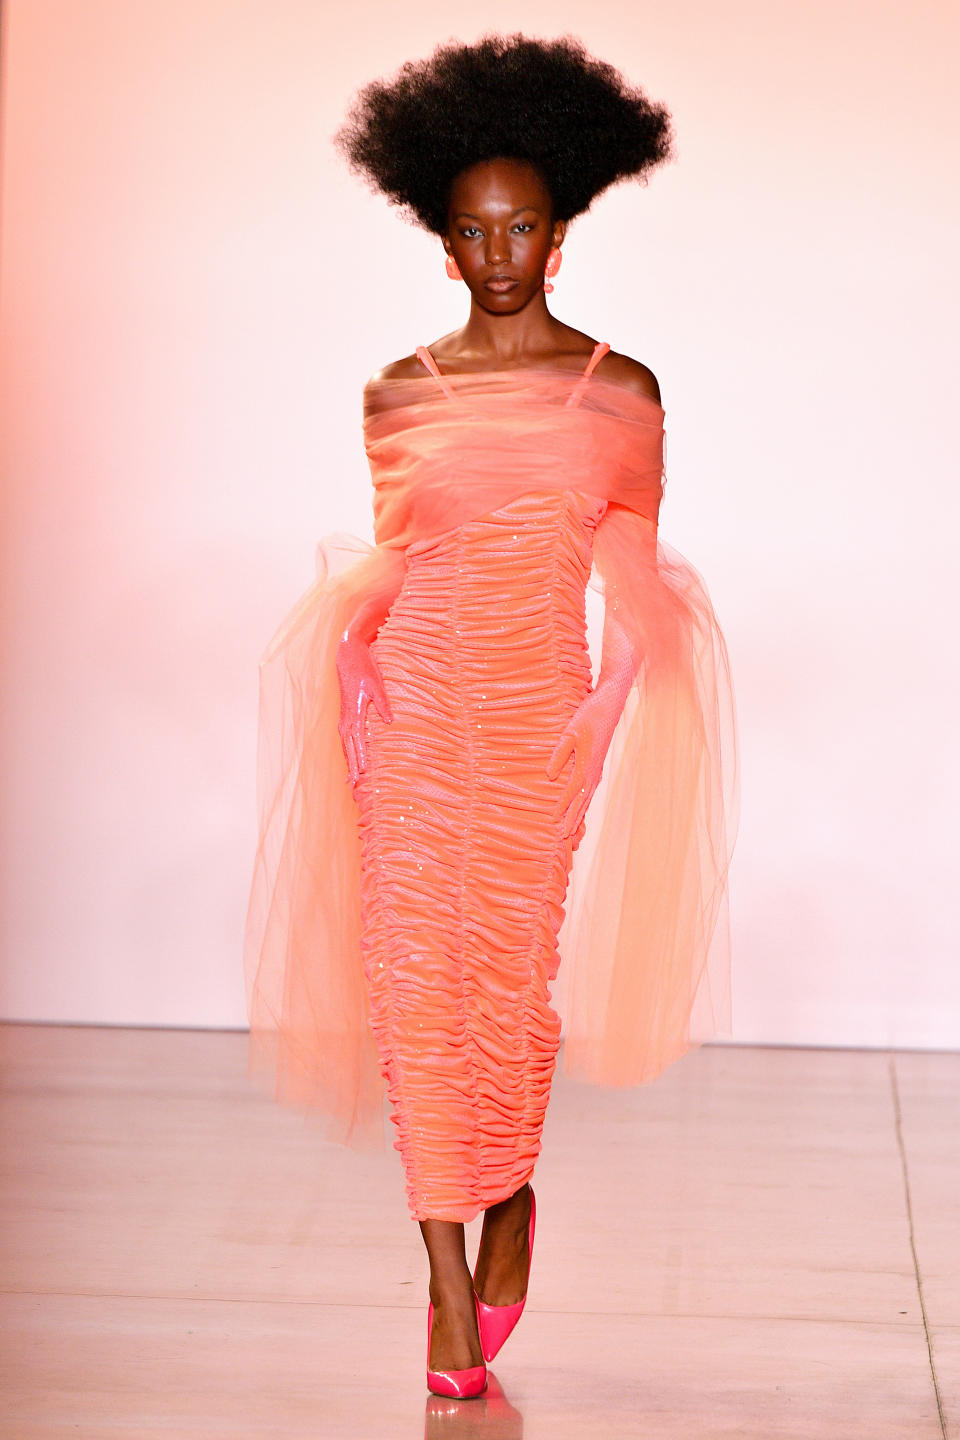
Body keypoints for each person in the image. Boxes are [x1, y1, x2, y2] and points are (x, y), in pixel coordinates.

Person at [243, 33, 740, 1399]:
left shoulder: (621, 395)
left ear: (564, 236)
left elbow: (635, 580)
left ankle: (510, 1194)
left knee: (505, 999)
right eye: (476, 230)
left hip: (538, 729)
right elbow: (398, 560)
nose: (503, 249)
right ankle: (446, 1290)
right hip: (413, 719)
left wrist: (610, 714)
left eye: (526, 224)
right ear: (444, 245)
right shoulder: (397, 394)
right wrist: (347, 669)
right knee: (414, 995)